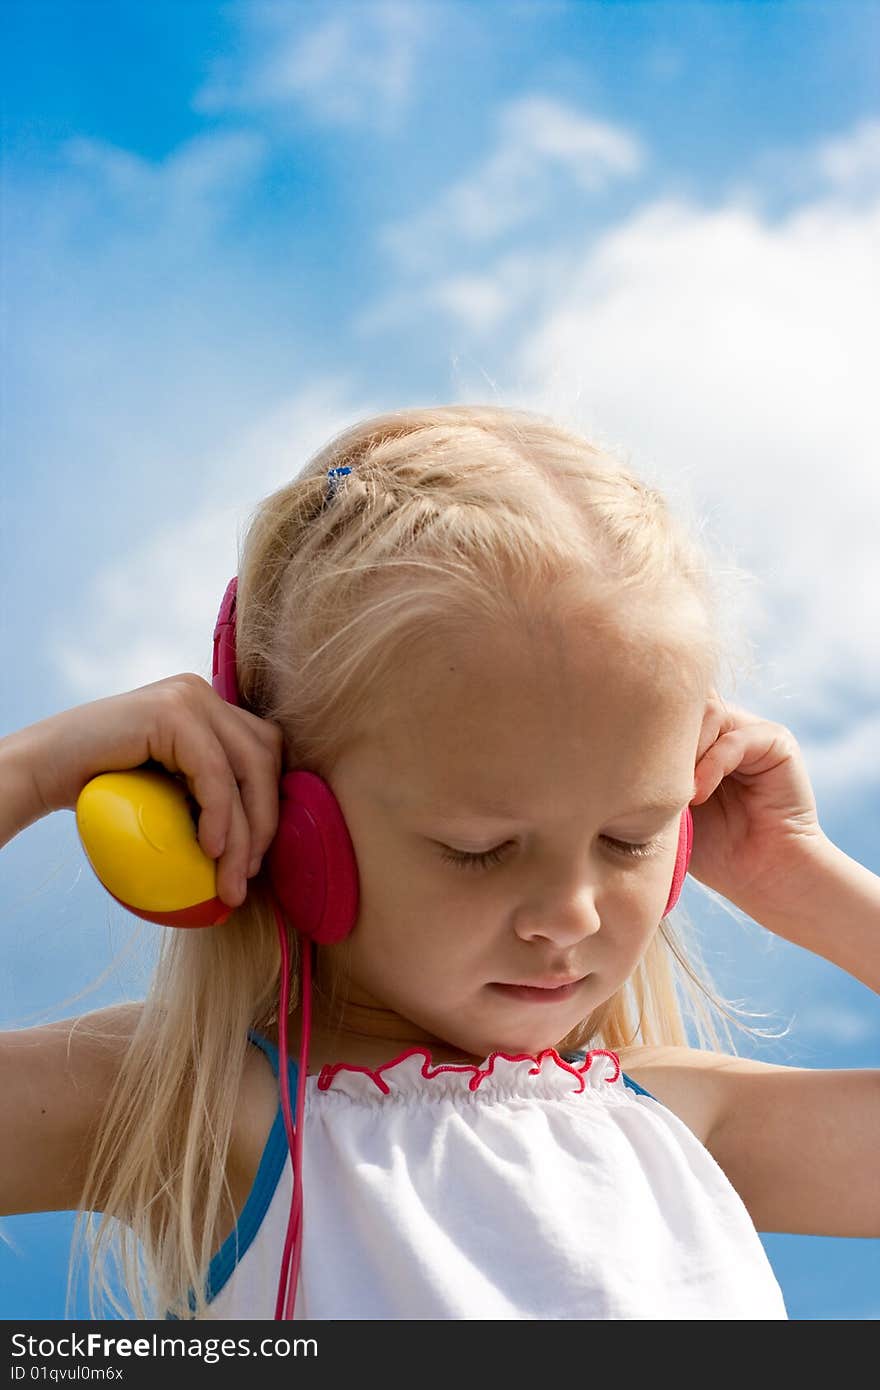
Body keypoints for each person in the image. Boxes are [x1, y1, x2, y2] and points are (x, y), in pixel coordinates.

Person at [1, 404, 877, 1322]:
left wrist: (799, 876)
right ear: (294, 825)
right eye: (480, 849)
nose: (570, 914)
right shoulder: (198, 1109)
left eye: (632, 838)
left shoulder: (680, 1116)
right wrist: (32, 769)